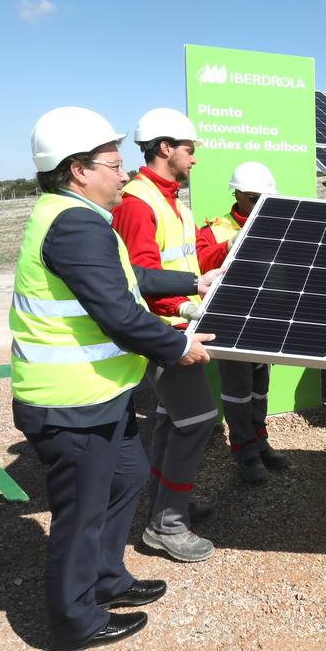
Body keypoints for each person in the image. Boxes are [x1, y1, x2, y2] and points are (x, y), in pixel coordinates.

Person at [10, 106, 218, 651]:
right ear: (78, 169)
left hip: (102, 395)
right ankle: (75, 621)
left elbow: (131, 276)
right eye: (112, 163)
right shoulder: (74, 223)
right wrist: (178, 345)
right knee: (80, 514)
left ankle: (108, 579)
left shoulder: (77, 216)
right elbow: (118, 313)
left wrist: (195, 277)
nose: (122, 173)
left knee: (127, 479)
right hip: (70, 402)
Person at [111, 108, 222, 563]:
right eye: (189, 149)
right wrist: (188, 303)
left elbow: (189, 260)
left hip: (179, 326)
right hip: (163, 334)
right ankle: (167, 524)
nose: (194, 159)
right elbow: (136, 277)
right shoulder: (137, 202)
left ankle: (166, 503)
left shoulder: (174, 202)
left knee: (170, 420)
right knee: (197, 421)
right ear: (165, 148)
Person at [195, 161, 292, 484]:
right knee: (237, 391)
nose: (259, 205)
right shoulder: (215, 229)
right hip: (230, 321)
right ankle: (245, 453)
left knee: (260, 387)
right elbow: (199, 263)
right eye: (253, 198)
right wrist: (228, 246)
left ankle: (260, 441)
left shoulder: (276, 223)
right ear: (238, 194)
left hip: (265, 319)